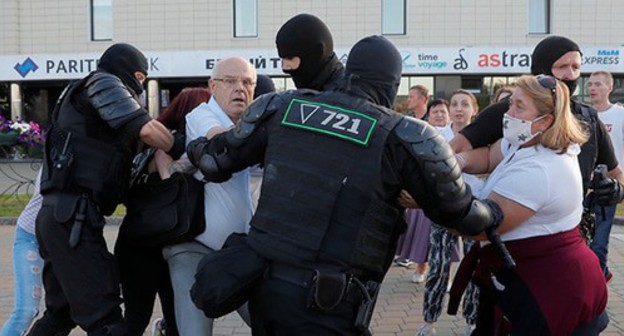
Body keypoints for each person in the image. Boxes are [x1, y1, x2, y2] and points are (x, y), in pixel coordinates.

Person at [187, 35, 502, 336]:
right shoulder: (403, 135)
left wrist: (185, 145)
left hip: (266, 291)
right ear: (392, 84)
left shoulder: (282, 106)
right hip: (328, 303)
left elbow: (215, 162)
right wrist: (501, 207)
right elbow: (462, 214)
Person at [30, 43, 180, 336]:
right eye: (141, 80)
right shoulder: (103, 82)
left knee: (60, 315)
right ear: (136, 75)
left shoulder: (82, 98)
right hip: (72, 220)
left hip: (61, 218)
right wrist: (180, 144)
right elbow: (147, 130)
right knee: (107, 323)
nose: (141, 87)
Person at [454, 75, 608, 335]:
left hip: (554, 290)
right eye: (510, 103)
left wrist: (431, 198)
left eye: (519, 107)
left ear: (545, 121)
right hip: (527, 279)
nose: (509, 112)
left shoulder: (542, 168)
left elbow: (480, 227)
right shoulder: (525, 141)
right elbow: (490, 156)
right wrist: (457, 160)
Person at [451, 35, 624, 233]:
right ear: (542, 67)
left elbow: (616, 173)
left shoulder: (589, 119)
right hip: (511, 227)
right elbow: (460, 149)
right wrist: (452, 170)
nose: (570, 75)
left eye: (576, 67)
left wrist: (617, 190)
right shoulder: (510, 112)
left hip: (569, 231)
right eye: (562, 66)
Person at [161, 57, 255, 335]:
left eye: (248, 82)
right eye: (231, 81)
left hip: (240, 251)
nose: (240, 88)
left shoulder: (251, 122)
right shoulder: (201, 115)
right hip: (195, 247)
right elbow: (223, 143)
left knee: (271, 321)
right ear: (213, 86)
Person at [114, 87, 211, 336]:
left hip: (153, 243)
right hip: (147, 246)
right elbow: (173, 183)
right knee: (138, 319)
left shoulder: (159, 142)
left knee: (172, 320)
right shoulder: (165, 144)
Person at [417, 90, 482, 336]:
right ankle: (428, 321)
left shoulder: (482, 137)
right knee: (438, 266)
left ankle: (471, 321)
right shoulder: (437, 136)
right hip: (443, 210)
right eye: (454, 104)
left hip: (473, 210)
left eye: (465, 104)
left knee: (474, 269)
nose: (458, 108)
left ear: (474, 110)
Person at [1, 171, 71, 336]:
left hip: (62, 241)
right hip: (31, 236)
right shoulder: (61, 151)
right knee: (26, 310)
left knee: (67, 309)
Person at [587, 70, 623, 283]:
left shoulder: (620, 115)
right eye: (590, 84)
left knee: (599, 242)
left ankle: (596, 284)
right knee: (585, 242)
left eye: (598, 84)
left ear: (609, 88)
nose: (592, 88)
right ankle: (601, 272)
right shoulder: (583, 115)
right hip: (583, 188)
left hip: (609, 187)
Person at [276, 13, 344, 91]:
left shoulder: (347, 95)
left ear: (315, 55)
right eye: (283, 59)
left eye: (290, 58)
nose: (285, 67)